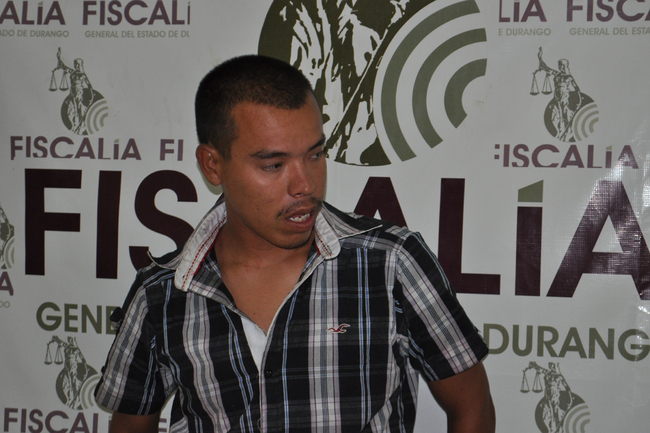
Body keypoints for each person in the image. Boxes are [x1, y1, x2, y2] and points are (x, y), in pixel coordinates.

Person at [95, 54, 495, 432]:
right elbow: (129, 426)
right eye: (274, 165)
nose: (305, 185)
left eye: (315, 155)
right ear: (213, 165)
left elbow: (472, 406)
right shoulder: (161, 293)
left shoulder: (391, 264)